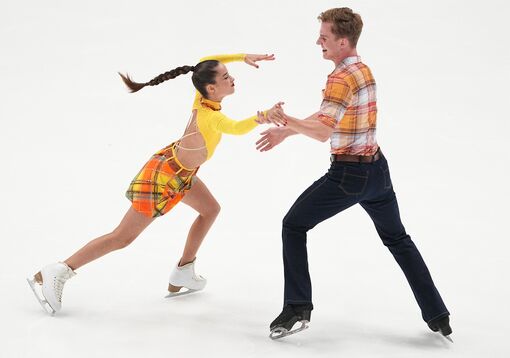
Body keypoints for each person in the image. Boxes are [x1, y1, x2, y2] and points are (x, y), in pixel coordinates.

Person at [27, 53, 285, 315]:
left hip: (181, 173)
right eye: (226, 77)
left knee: (210, 210)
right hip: (162, 178)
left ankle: (184, 270)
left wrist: (242, 57)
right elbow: (237, 128)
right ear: (211, 87)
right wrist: (263, 116)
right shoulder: (210, 116)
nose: (232, 79)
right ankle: (58, 271)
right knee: (122, 237)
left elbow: (205, 61)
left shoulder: (204, 99)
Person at [257, 8, 452, 341]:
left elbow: (321, 132)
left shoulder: (339, 77)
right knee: (398, 239)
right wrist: (285, 132)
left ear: (342, 40)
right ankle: (438, 315)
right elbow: (330, 114)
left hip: (348, 176)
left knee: (293, 225)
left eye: (325, 36)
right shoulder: (361, 70)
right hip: (377, 170)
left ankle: (297, 309)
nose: (319, 41)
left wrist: (284, 119)